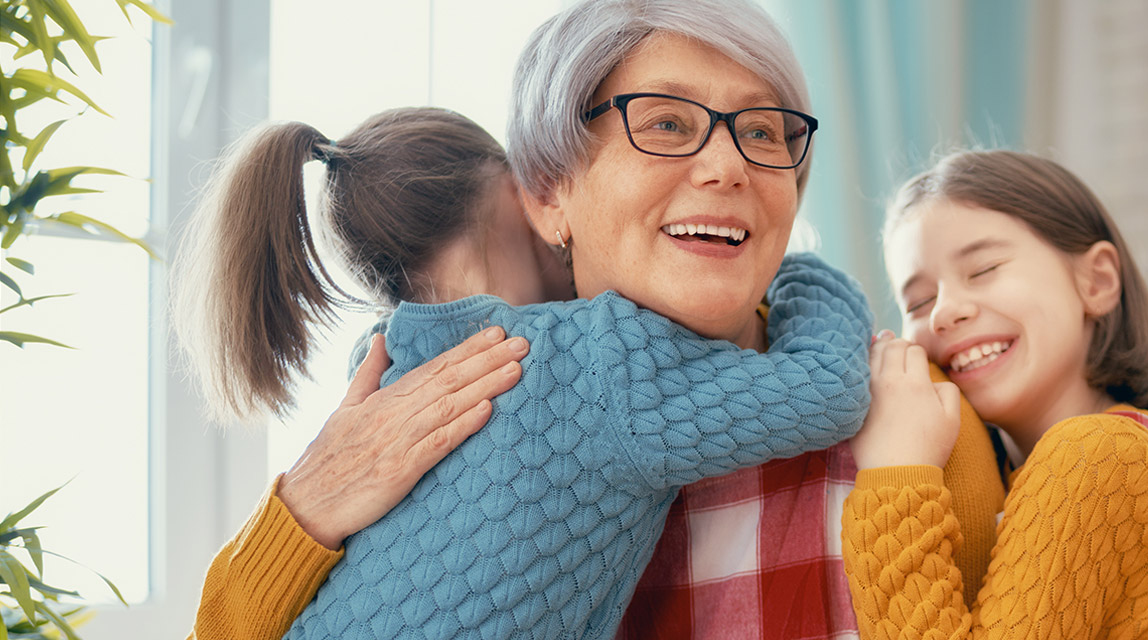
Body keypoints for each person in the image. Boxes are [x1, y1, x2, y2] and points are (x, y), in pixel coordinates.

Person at [187, 2, 1006, 638]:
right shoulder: (386, 436)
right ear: (546, 196)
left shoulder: (920, 424)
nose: (726, 165)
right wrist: (304, 509)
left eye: (763, 132)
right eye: (665, 124)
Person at [842, 150, 1148, 639]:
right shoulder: (1050, 471)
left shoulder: (1098, 457)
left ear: (1096, 280)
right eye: (919, 301)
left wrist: (894, 473)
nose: (945, 312)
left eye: (984, 268)